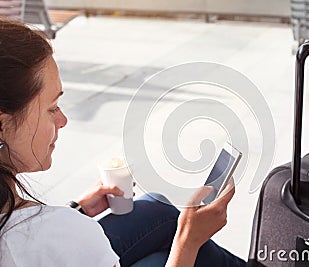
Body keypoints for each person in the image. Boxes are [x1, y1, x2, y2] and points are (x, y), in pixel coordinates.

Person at [0, 19, 247, 267]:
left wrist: (78, 208)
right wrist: (189, 240)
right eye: (52, 108)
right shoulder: (55, 234)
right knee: (164, 254)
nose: (63, 120)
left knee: (155, 208)